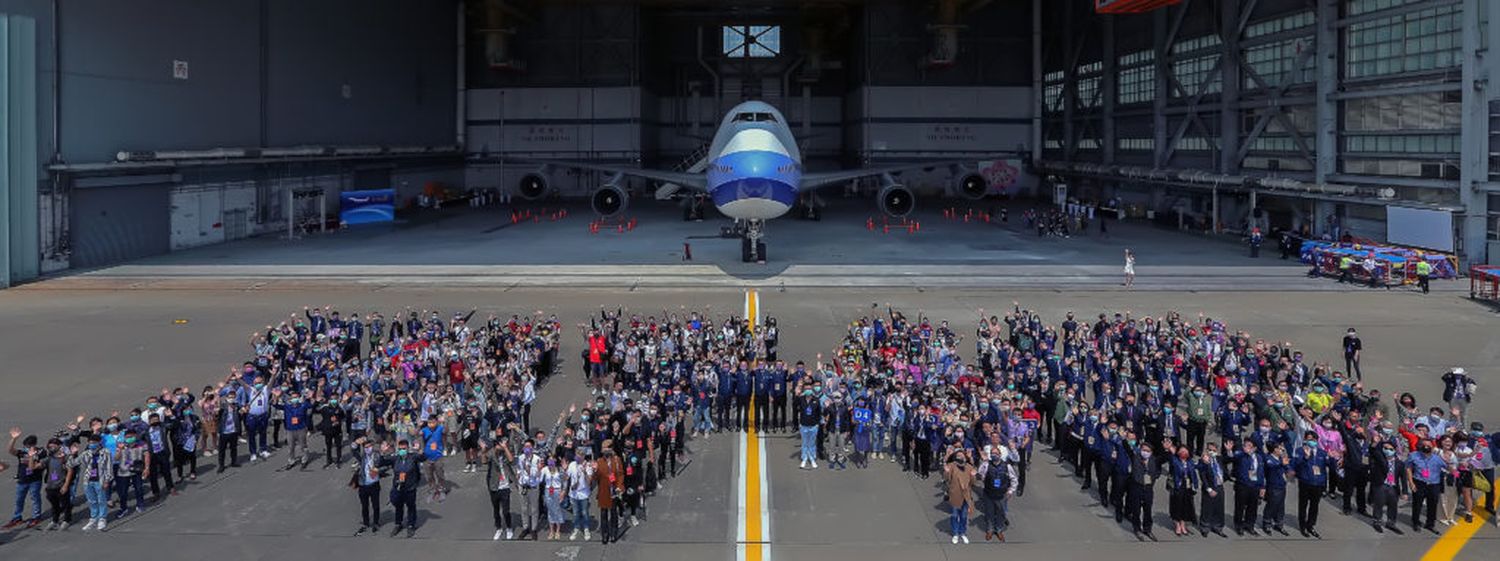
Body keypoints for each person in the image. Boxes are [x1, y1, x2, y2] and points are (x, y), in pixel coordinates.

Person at [1291, 432, 1335, 538]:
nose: (1312, 441)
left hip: (1318, 483)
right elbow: (1295, 465)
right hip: (1305, 482)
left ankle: (1310, 525)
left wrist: (1332, 458)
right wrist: (1305, 458)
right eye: (1309, 439)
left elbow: (1332, 467)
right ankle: (1302, 526)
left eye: (1314, 439)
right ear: (1305, 440)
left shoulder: (1322, 453)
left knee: (1314, 506)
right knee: (1303, 505)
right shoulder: (1300, 451)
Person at [381, 438, 426, 538]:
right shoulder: (395, 458)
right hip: (398, 487)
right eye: (400, 449)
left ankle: (411, 525)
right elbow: (382, 462)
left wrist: (419, 450)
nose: (402, 450)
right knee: (398, 506)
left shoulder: (413, 457)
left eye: (404, 449)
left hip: (410, 487)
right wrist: (383, 452)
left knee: (411, 506)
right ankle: (398, 524)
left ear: (408, 448)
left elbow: (423, 458)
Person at [977, 443, 1016, 542]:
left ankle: (999, 530)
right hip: (988, 493)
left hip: (1002, 494)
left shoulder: (1007, 466)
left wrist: (1011, 490)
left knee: (1001, 513)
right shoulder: (986, 465)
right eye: (992, 453)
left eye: (996, 453)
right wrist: (983, 461)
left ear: (1000, 454)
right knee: (989, 513)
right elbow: (979, 474)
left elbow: (1014, 479)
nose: (994, 455)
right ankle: (990, 530)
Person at [6, 428, 44, 529]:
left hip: (35, 480)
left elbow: (35, 466)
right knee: (19, 499)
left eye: (27, 446)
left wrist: (32, 456)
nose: (25, 448)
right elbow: (10, 450)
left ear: (33, 445)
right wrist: (13, 439)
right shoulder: (22, 452)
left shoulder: (41, 453)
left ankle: (36, 516)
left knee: (35, 498)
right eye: (25, 446)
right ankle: (17, 517)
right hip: (22, 480)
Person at [76, 433, 113, 532]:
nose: (92, 444)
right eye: (90, 442)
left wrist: (107, 480)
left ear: (99, 442)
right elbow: (74, 463)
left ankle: (102, 518)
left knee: (101, 500)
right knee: (92, 500)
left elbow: (109, 467)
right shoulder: (86, 453)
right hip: (88, 480)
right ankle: (93, 518)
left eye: (94, 442)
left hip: (100, 480)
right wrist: (73, 454)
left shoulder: (105, 452)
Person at [1367, 441, 1406, 533]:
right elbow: (1372, 451)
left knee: (1393, 506)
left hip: (1393, 487)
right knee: (1378, 504)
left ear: (1395, 450)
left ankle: (1391, 523)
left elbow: (1403, 478)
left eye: (1390, 449)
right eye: (1385, 448)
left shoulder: (1399, 463)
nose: (1388, 451)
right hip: (1381, 485)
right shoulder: (1379, 459)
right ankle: (1377, 521)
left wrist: (1404, 492)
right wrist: (1374, 444)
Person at [1408, 438, 1445, 533]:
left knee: (1432, 505)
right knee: (1417, 504)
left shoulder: (1437, 458)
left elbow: (1448, 467)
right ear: (1420, 446)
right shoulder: (1413, 456)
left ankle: (1430, 524)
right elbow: (1408, 468)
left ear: (1432, 447)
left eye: (1429, 445)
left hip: (1434, 484)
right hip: (1419, 483)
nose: (1426, 447)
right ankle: (1415, 522)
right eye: (1424, 445)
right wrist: (1411, 482)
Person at [350, 436, 384, 536]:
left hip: (374, 484)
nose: (367, 449)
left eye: (369, 447)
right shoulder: (362, 457)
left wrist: (378, 470)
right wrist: (356, 442)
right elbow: (353, 450)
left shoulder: (377, 455)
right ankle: (365, 523)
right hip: (363, 485)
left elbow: (384, 464)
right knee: (364, 506)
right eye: (365, 447)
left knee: (375, 505)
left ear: (372, 447)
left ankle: (376, 523)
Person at [943, 447, 976, 544]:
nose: (960, 457)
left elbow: (973, 483)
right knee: (954, 515)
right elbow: (946, 479)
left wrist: (973, 476)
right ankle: (955, 533)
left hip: (966, 495)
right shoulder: (952, 466)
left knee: (964, 516)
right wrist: (946, 471)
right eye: (958, 456)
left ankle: (962, 532)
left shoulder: (969, 467)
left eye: (962, 455)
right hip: (955, 494)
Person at [594, 443, 624, 544]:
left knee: (614, 512)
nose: (605, 450)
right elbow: (596, 479)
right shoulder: (599, 461)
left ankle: (613, 533)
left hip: (614, 490)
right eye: (604, 448)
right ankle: (605, 535)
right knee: (603, 514)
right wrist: (595, 470)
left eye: (607, 448)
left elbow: (620, 474)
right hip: (603, 491)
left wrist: (619, 486)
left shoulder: (616, 460)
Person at [797, 387, 821, 469]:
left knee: (812, 443)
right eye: (806, 389)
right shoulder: (801, 399)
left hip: (813, 425)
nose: (808, 390)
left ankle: (812, 458)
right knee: (804, 442)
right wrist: (797, 394)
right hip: (804, 425)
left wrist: (817, 424)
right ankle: (804, 458)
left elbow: (819, 412)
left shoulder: (816, 400)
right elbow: (795, 406)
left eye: (809, 389)